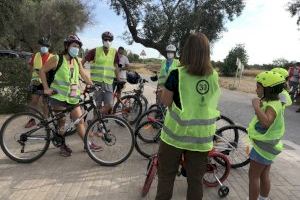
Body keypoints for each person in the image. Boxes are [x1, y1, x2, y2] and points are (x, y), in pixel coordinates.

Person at [155, 32, 221, 200]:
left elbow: (166, 101)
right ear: (206, 52)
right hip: (201, 139)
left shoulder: (177, 74)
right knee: (195, 181)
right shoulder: (214, 76)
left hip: (174, 137)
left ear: (187, 51)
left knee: (166, 177)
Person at [40, 35, 101, 157]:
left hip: (73, 97)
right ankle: (62, 145)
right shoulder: (57, 59)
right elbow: (42, 71)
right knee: (61, 123)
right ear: (67, 46)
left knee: (79, 122)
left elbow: (84, 75)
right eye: (74, 46)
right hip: (58, 97)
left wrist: (93, 84)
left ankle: (87, 144)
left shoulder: (77, 60)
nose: (76, 48)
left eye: (78, 47)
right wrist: (46, 88)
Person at [247, 71, 286, 200]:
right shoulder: (275, 103)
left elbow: (266, 122)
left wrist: (256, 107)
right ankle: (263, 199)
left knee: (253, 176)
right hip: (268, 148)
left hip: (262, 150)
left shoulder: (272, 106)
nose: (256, 89)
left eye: (258, 87)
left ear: (267, 89)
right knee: (264, 175)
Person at [81, 31, 119, 114]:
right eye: (105, 39)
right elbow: (81, 63)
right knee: (97, 105)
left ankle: (97, 119)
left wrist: (119, 80)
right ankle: (96, 122)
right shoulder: (95, 51)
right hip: (96, 83)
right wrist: (84, 76)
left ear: (112, 41)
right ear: (102, 40)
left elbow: (116, 67)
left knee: (109, 105)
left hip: (108, 83)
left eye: (109, 40)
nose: (107, 41)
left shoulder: (114, 52)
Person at [25, 37, 53, 128]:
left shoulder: (52, 57)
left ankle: (45, 120)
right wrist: (32, 68)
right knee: (34, 101)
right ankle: (32, 120)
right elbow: (29, 67)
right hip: (36, 82)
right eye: (42, 45)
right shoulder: (35, 55)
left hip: (47, 83)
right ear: (39, 46)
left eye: (46, 46)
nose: (44, 47)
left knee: (45, 102)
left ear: (48, 47)